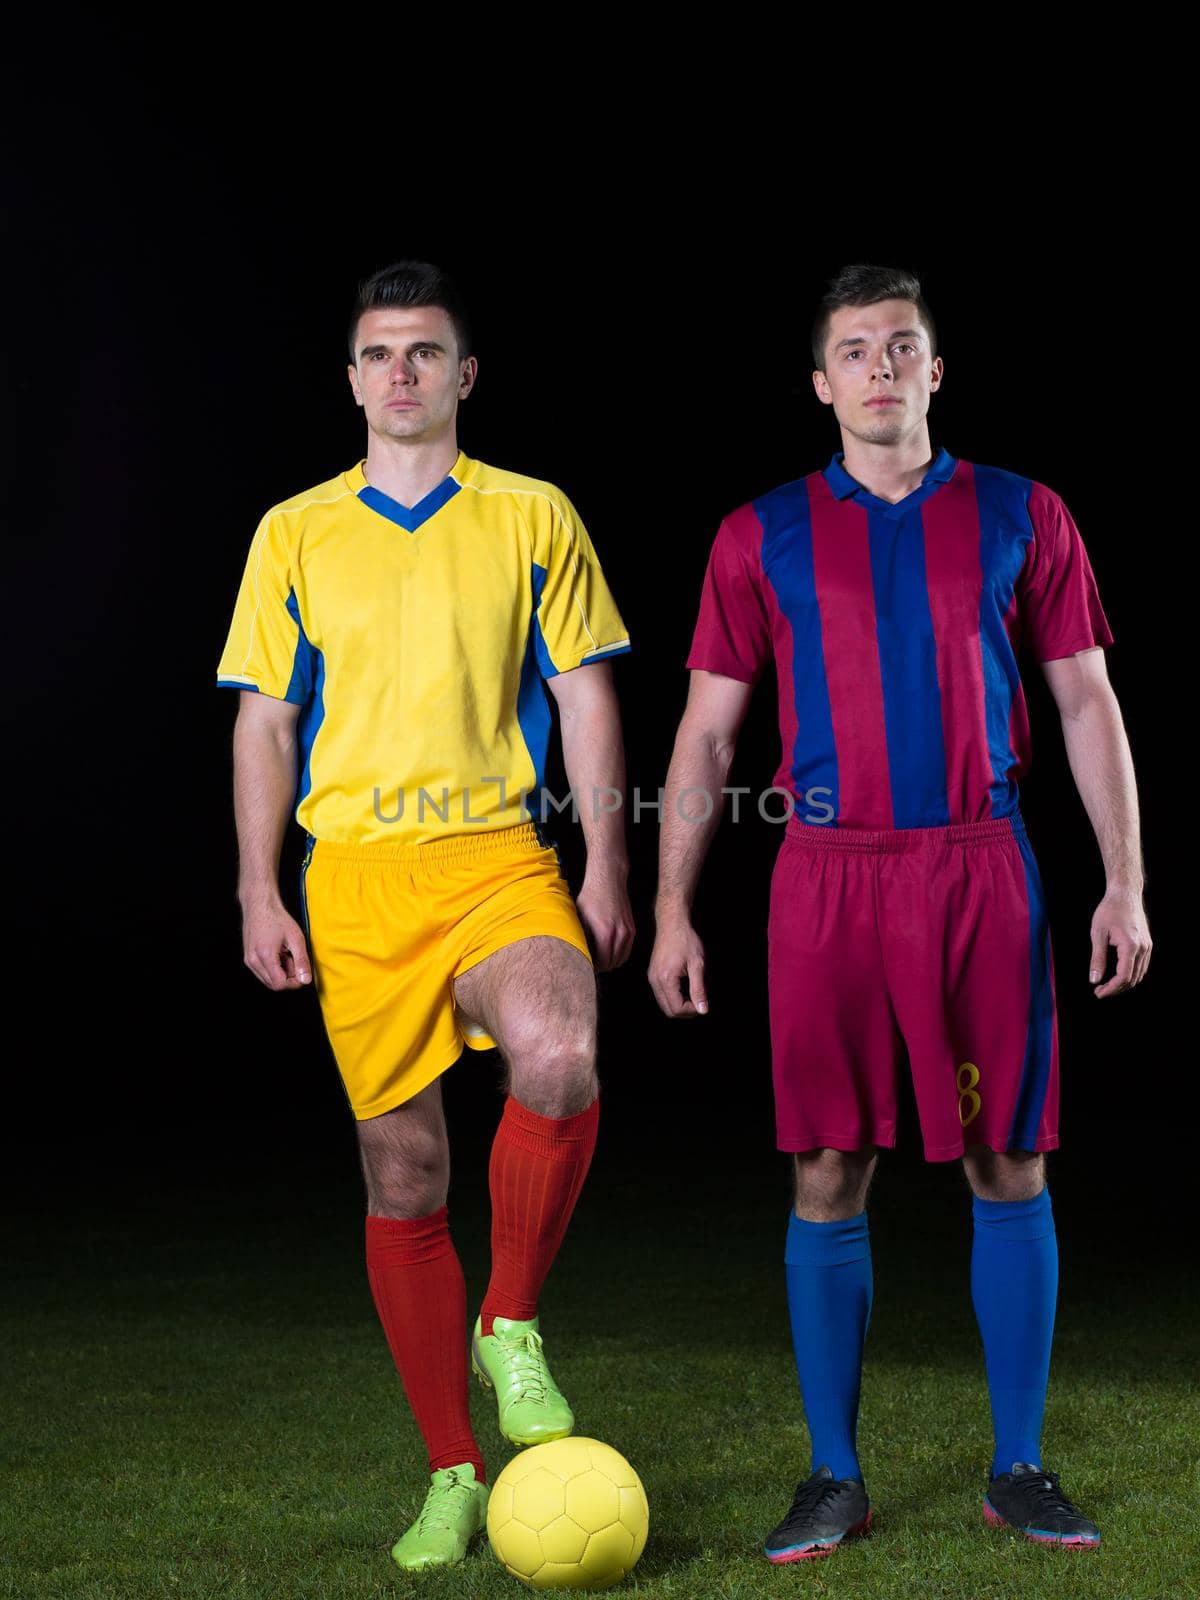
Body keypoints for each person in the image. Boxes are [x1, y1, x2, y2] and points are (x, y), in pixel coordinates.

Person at [649, 263, 1151, 1562]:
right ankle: (833, 1476)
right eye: (856, 350)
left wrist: (1127, 881)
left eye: (904, 346)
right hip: (827, 877)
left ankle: (1020, 1465)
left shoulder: (1022, 513)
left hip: (982, 867)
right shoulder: (758, 533)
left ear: (938, 370)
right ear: (821, 383)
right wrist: (672, 910)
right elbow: (708, 731)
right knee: (827, 1165)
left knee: (1010, 1159)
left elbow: (1087, 700)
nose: (881, 367)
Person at [215, 261, 635, 1571]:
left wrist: (610, 867)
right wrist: (254, 888)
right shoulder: (294, 532)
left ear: (464, 376)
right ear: (351, 379)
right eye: (379, 353)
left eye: (425, 351)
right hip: (356, 881)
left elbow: (587, 700)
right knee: (406, 1176)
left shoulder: (534, 515)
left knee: (560, 1056)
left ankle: (511, 1322)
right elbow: (265, 721)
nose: (400, 372)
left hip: (501, 858)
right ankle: (453, 1470)